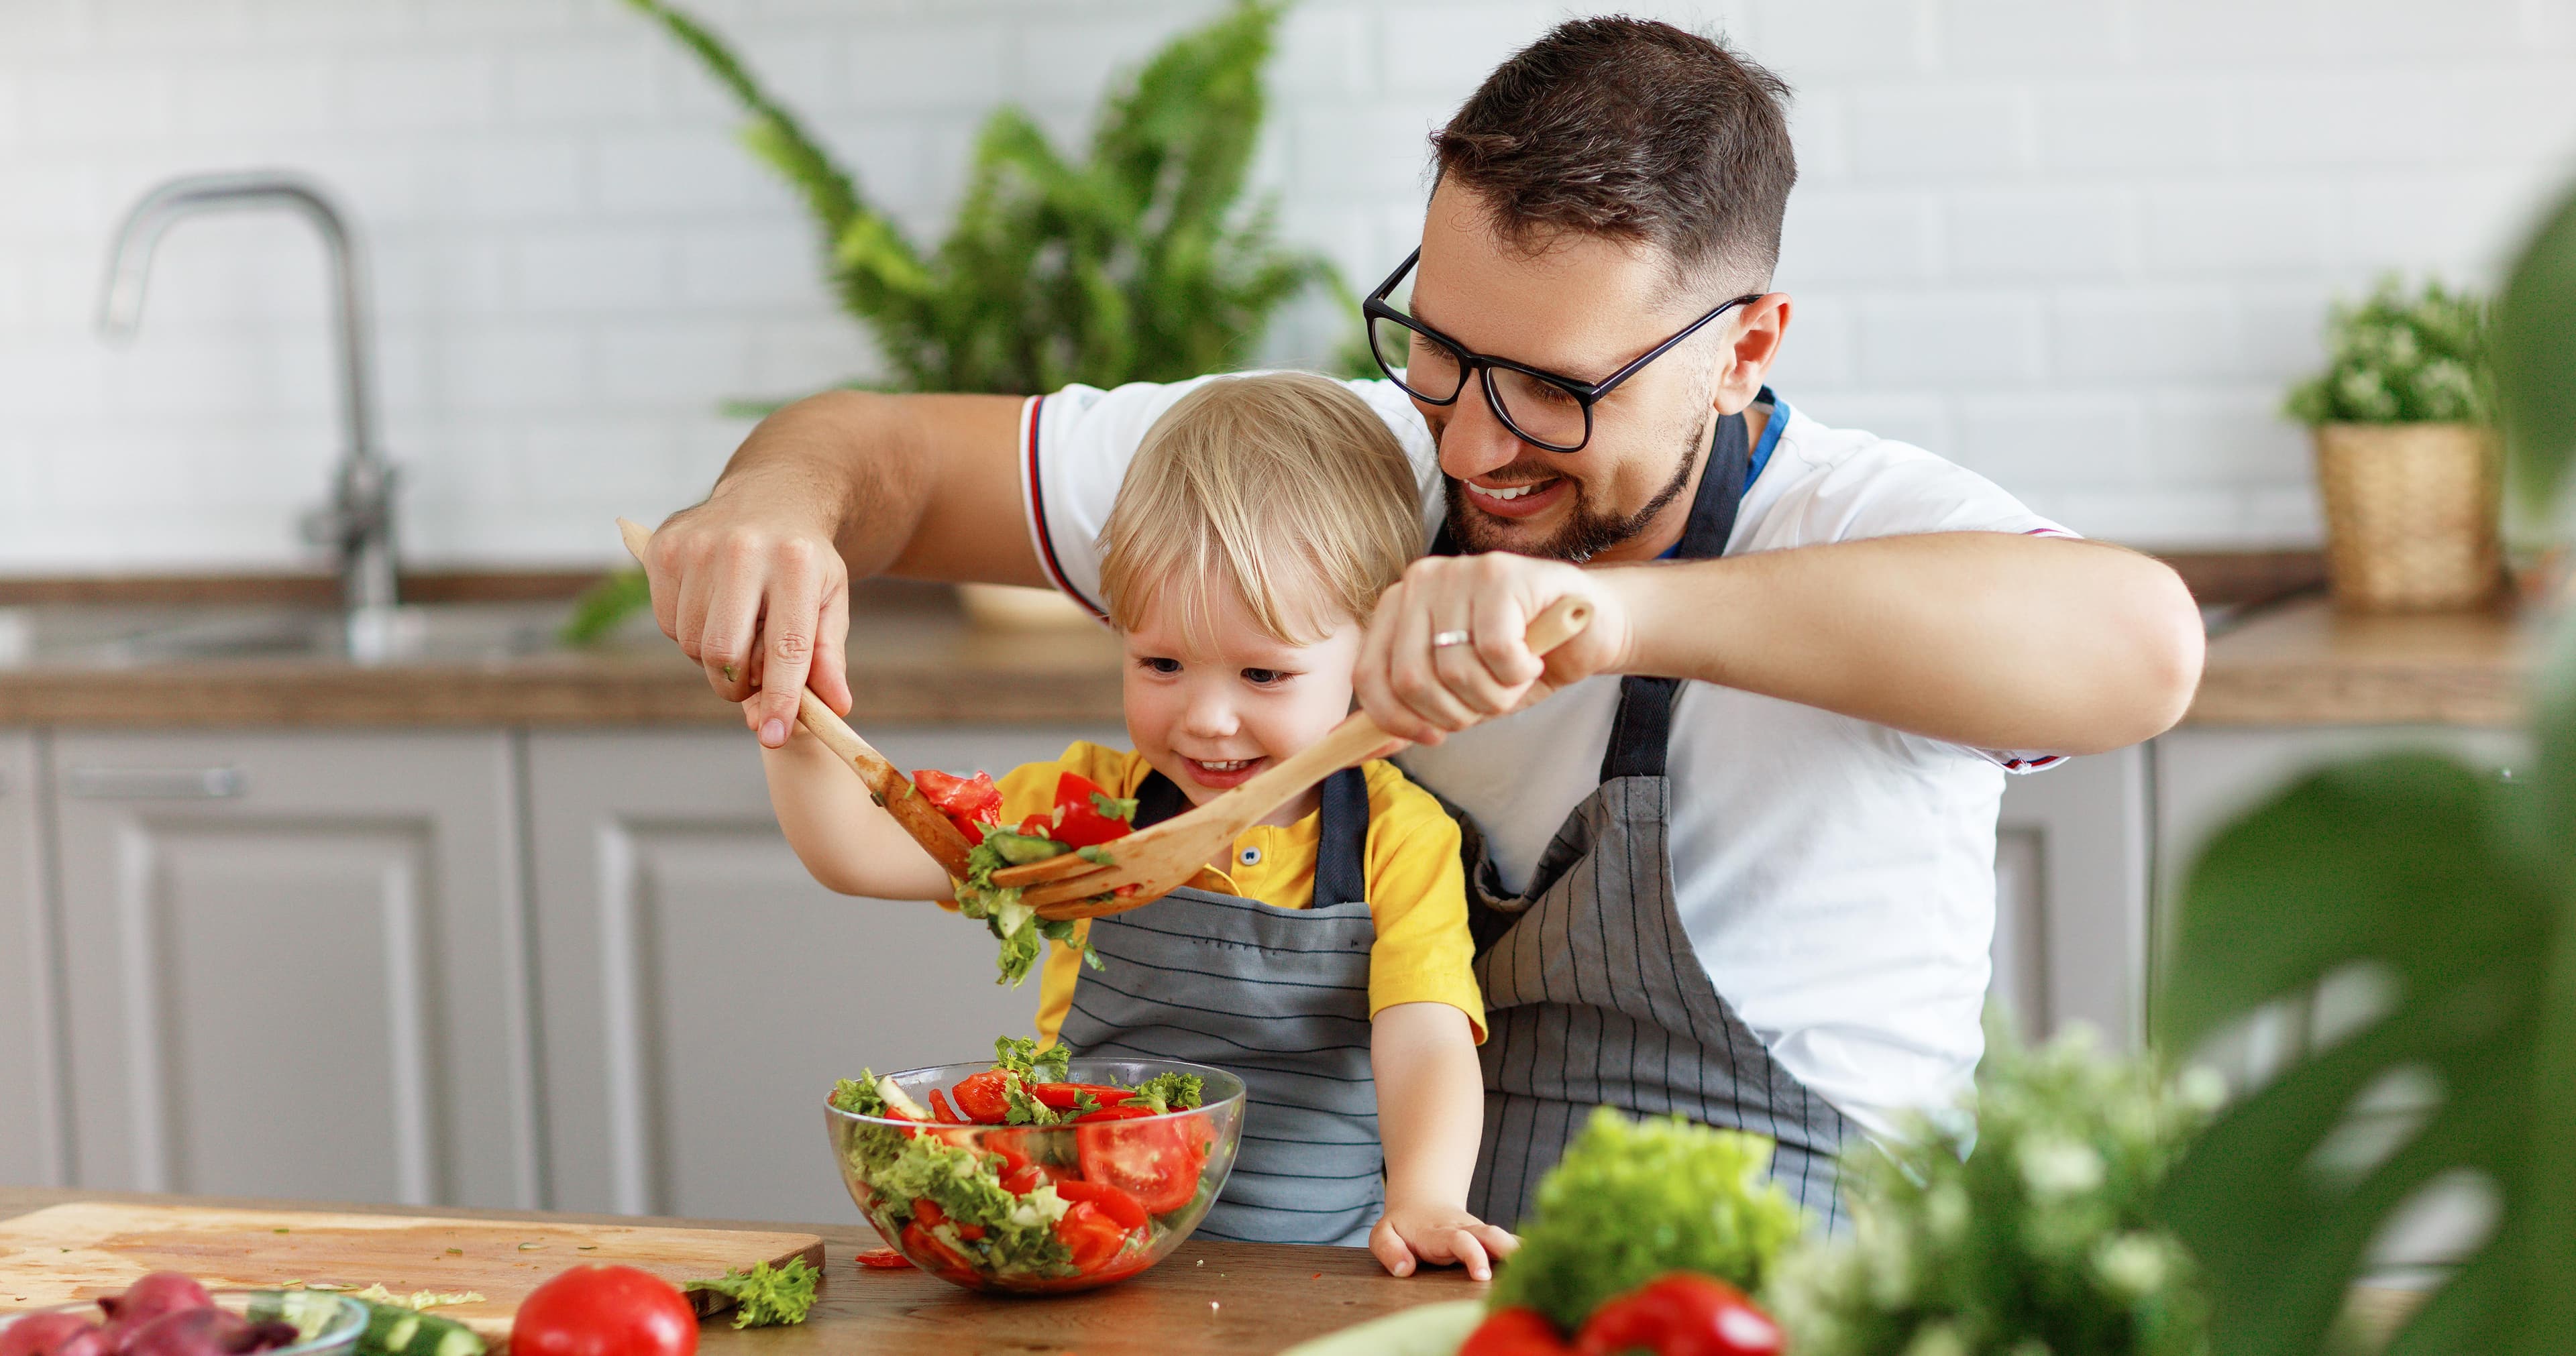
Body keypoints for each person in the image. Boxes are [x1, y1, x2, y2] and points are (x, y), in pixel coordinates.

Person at [645, 19, 2204, 1230]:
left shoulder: (1862, 522)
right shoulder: (1320, 469)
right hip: (1403, 1277)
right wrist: (778, 507)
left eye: (1557, 391)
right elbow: (884, 456)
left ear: (1745, 351)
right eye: (1440, 350)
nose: (1468, 447)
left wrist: (1612, 613)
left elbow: (2143, 648)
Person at [759, 373, 1513, 1278]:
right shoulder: (1084, 806)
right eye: (1161, 661)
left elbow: (1424, 1033)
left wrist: (1427, 1199)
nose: (1206, 717)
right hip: (1084, 1255)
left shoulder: (1399, 835)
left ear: (1371, 645)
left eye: (1263, 675)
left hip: (1317, 1277)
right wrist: (788, 714)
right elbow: (859, 850)